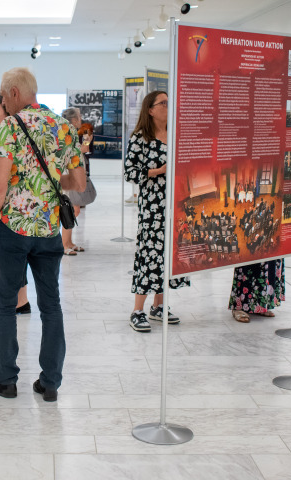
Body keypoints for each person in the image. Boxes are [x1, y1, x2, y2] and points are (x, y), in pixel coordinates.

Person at [0, 67, 86, 402]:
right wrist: (53, 184)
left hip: (13, 228)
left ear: (13, 93)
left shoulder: (10, 126)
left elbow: (0, 184)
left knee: (4, 305)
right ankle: (50, 382)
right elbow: (78, 183)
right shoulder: (63, 126)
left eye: (2, 95)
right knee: (51, 305)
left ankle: (6, 380)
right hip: (48, 230)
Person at [124, 91, 189, 332]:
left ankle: (159, 306)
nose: (168, 106)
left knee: (168, 255)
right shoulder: (140, 139)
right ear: (150, 110)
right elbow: (129, 172)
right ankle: (137, 310)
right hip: (153, 207)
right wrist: (157, 171)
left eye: (169, 102)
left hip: (177, 205)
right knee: (148, 254)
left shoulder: (175, 135)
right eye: (163, 103)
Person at [0, 95, 31, 327]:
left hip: (8, 208)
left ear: (6, 113)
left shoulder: (10, 139)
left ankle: (8, 306)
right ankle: (21, 302)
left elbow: (4, 182)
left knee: (4, 264)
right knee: (8, 260)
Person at [60, 107, 93, 256]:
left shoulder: (71, 132)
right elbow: (78, 151)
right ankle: (64, 244)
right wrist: (87, 142)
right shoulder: (67, 133)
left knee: (75, 209)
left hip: (73, 172)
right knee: (72, 209)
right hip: (69, 174)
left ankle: (69, 242)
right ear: (73, 120)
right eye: (79, 117)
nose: (81, 119)